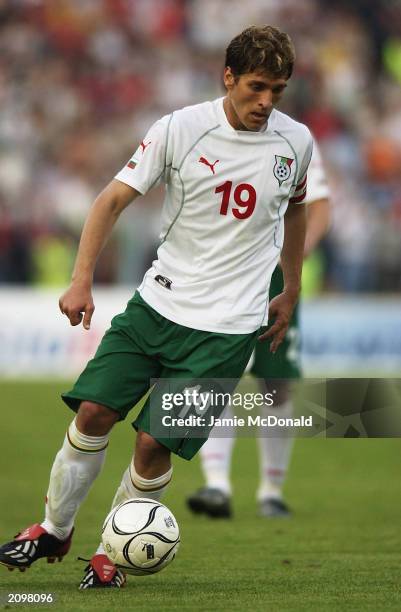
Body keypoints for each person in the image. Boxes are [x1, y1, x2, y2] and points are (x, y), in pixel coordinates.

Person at [0, 25, 313, 589]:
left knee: (153, 443)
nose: (267, 102)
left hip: (227, 331)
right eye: (258, 87)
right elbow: (111, 199)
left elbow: (295, 210)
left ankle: (107, 555)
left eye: (279, 91)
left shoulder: (297, 143)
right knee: (93, 412)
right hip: (156, 307)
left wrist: (290, 286)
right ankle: (53, 527)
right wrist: (80, 280)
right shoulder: (180, 128)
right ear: (229, 77)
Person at [187, 142, 330, 519]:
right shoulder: (212, 137)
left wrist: (296, 254)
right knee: (217, 378)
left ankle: (271, 489)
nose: (264, 100)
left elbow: (319, 206)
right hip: (225, 276)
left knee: (277, 383)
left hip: (275, 283)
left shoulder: (294, 143)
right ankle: (217, 484)